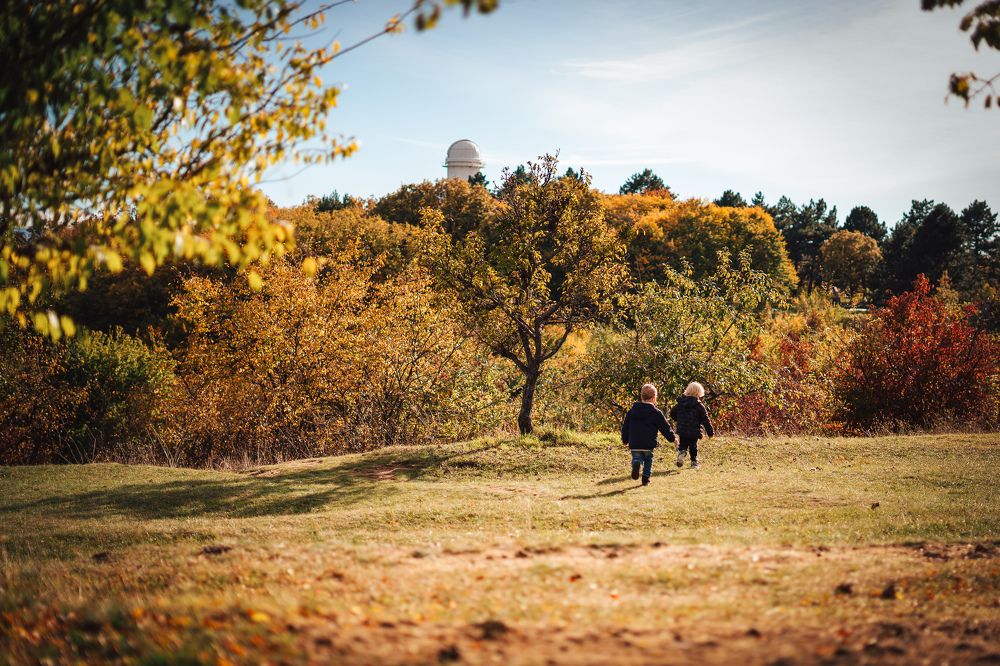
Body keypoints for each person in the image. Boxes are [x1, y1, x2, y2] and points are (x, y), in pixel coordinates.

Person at [621, 383, 676, 486]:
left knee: (636, 457)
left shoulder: (632, 411)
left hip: (635, 443)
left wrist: (625, 439)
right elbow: (665, 428)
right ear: (654, 398)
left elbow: (625, 427)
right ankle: (645, 479)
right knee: (648, 460)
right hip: (648, 443)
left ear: (641, 396)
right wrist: (673, 439)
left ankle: (636, 462)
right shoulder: (656, 412)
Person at [670, 382, 714, 470]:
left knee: (682, 444)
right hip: (694, 431)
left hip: (682, 429)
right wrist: (710, 432)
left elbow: (672, 413)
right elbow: (705, 419)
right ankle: (694, 462)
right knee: (693, 446)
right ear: (699, 393)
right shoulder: (699, 406)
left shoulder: (680, 403)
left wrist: (679, 420)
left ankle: (681, 453)